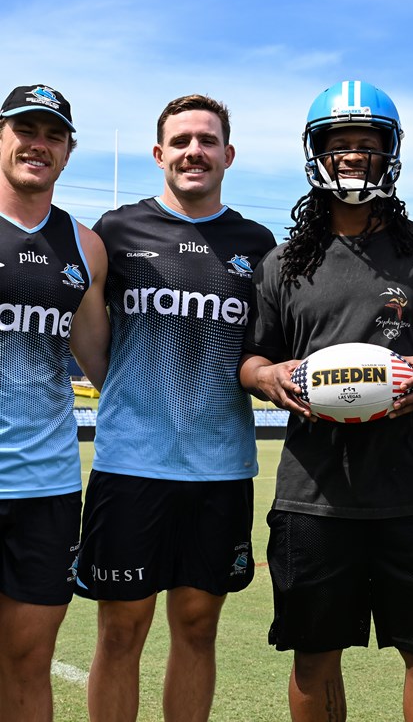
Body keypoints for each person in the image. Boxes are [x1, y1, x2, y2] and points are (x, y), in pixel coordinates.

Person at [240, 80, 413, 722]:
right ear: (316, 153)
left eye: (368, 145)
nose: (353, 156)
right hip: (312, 495)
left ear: (392, 153)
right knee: (313, 654)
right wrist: (269, 379)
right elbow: (252, 360)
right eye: (339, 144)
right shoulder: (282, 264)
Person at [74, 94, 276, 722]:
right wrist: (130, 392)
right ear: (160, 154)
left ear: (228, 155)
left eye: (208, 141)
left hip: (219, 471)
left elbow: (258, 351)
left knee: (196, 627)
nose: (195, 151)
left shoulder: (257, 243)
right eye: (182, 141)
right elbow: (91, 337)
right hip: (131, 467)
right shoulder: (118, 229)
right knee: (121, 630)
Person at [0, 84, 108, 721]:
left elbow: (104, 362)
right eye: (24, 129)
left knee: (29, 663)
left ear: (67, 151)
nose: (38, 144)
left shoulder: (84, 246)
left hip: (47, 487)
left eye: (53, 134)